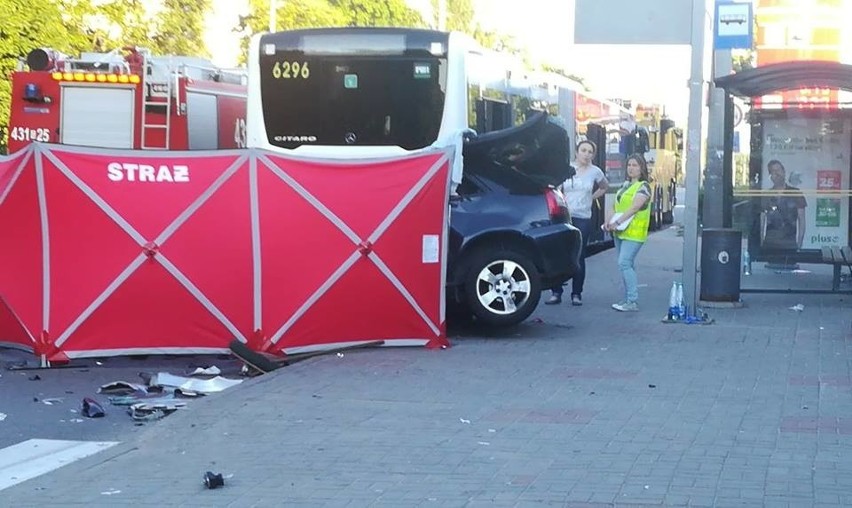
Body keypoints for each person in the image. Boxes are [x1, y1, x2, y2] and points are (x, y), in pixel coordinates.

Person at [546, 140, 608, 306]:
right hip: (563, 216)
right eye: (583, 150)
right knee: (558, 253)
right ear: (577, 152)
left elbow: (604, 186)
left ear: (593, 155)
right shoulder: (567, 168)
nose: (586, 154)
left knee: (579, 256)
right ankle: (556, 292)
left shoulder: (595, 172)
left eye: (590, 152)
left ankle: (576, 293)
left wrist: (592, 197)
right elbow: (555, 188)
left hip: (583, 218)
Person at [604, 154, 652, 312]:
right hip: (620, 232)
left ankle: (632, 301)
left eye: (635, 165)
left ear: (642, 168)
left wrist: (616, 222)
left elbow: (635, 207)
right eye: (629, 165)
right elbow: (614, 205)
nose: (631, 168)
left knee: (624, 263)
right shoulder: (624, 186)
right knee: (627, 265)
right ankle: (627, 298)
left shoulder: (644, 186)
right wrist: (608, 221)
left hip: (634, 233)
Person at [761, 160, 807, 251]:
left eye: (778, 170)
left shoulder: (796, 193)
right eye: (773, 171)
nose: (777, 173)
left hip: (789, 244)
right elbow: (761, 221)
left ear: (784, 172)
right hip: (770, 244)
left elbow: (802, 220)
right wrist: (761, 242)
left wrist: (799, 243)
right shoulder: (766, 195)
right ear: (770, 176)